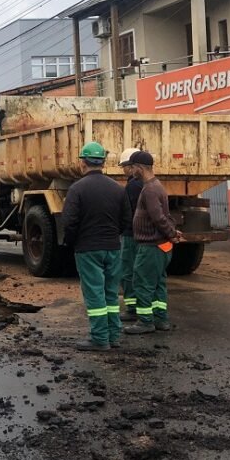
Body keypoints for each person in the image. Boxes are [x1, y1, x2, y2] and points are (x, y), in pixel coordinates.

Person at [61, 142, 131, 351]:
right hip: (113, 247)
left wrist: (72, 241)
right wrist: (113, 235)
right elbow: (126, 220)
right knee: (111, 293)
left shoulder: (77, 189)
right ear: (103, 162)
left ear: (83, 163)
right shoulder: (117, 189)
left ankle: (100, 338)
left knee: (94, 294)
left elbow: (69, 222)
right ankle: (113, 336)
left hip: (88, 248)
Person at [124, 151, 184, 335]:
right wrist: (172, 233)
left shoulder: (149, 190)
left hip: (150, 246)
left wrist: (171, 233)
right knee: (158, 283)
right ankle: (160, 319)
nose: (131, 170)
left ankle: (145, 321)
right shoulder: (157, 186)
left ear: (139, 168)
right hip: (159, 246)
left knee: (142, 283)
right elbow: (165, 216)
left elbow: (158, 217)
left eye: (133, 167)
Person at [118, 148, 144, 322]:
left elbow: (128, 211)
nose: (123, 170)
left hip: (131, 234)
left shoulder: (133, 185)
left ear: (131, 166)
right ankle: (146, 309)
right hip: (142, 234)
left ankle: (133, 308)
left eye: (124, 167)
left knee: (127, 271)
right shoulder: (147, 184)